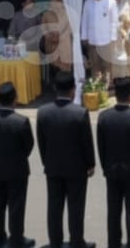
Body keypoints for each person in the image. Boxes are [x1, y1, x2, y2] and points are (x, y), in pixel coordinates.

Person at [37, 71, 96, 248]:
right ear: (73, 89)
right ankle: (76, 241)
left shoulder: (43, 112)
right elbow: (87, 142)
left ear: (55, 88)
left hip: (53, 165)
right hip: (76, 167)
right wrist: (90, 164)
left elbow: (42, 142)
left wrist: (46, 161)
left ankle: (54, 242)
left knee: (54, 206)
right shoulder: (80, 113)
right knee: (76, 206)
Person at [96, 76, 130, 248]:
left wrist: (105, 166)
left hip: (112, 170)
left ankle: (113, 242)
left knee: (113, 209)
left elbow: (101, 146)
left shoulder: (104, 117)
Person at [0, 82, 35, 248]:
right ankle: (16, 238)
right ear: (15, 99)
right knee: (16, 205)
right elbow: (28, 145)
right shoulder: (21, 122)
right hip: (17, 168)